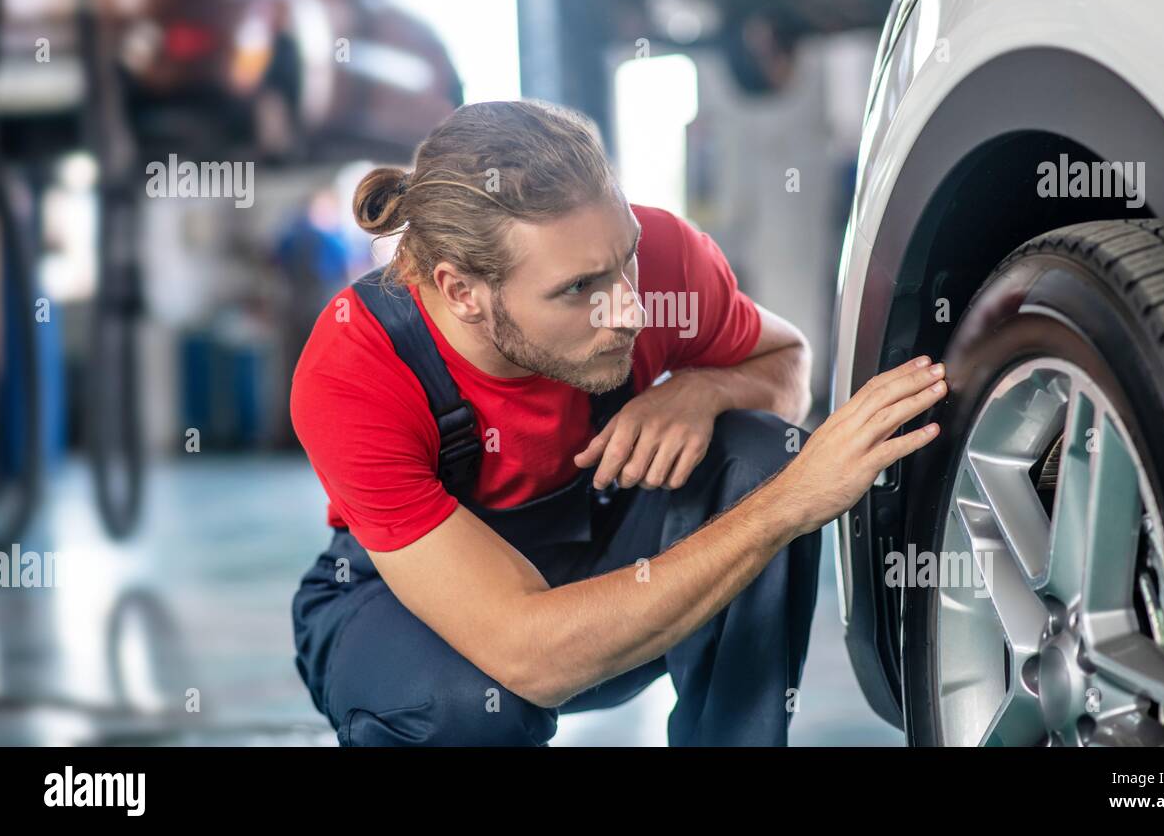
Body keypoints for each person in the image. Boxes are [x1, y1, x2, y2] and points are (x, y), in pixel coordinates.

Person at [288, 99, 945, 745]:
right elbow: (530, 657)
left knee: (761, 455)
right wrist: (788, 508)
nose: (630, 309)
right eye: (578, 290)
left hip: (605, 560)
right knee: (465, 709)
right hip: (414, 611)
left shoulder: (662, 260)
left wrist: (704, 387)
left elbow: (788, 360)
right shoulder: (355, 371)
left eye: (624, 257)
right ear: (462, 291)